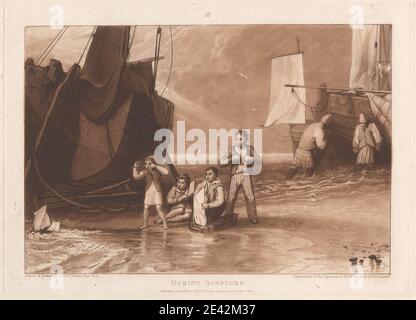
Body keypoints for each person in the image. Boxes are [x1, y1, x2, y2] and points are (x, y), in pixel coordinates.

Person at [222, 129, 258, 224]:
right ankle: (228, 217)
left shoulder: (250, 149)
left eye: (241, 139)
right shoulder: (232, 149)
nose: (239, 141)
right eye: (237, 139)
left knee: (250, 197)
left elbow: (258, 162)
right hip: (235, 175)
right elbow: (221, 163)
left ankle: (253, 216)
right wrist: (231, 159)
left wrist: (252, 160)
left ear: (246, 139)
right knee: (231, 197)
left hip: (246, 175)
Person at [286, 114, 331, 179]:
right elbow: (320, 146)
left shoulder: (312, 125)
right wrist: (326, 141)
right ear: (327, 124)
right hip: (306, 152)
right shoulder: (319, 130)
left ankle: (285, 181)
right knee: (310, 170)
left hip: (299, 150)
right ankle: (307, 184)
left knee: (294, 168)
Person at [132, 157, 169, 230]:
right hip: (149, 192)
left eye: (149, 163)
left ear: (153, 164)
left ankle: (165, 224)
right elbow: (136, 176)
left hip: (157, 192)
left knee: (159, 208)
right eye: (146, 164)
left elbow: (166, 172)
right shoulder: (145, 172)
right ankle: (145, 224)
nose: (147, 165)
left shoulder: (158, 171)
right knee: (146, 207)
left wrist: (156, 166)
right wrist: (134, 167)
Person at [190, 167, 225, 231]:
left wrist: (208, 205)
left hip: (216, 207)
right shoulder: (205, 183)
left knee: (208, 218)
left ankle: (214, 221)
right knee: (197, 212)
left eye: (210, 174)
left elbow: (220, 201)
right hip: (207, 205)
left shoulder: (218, 186)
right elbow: (199, 189)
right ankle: (199, 222)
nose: (207, 176)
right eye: (206, 174)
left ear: (216, 175)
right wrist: (196, 190)